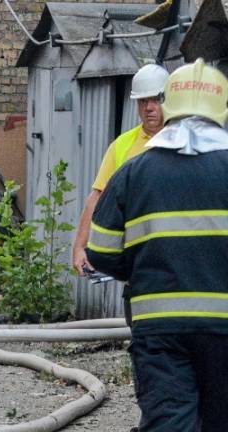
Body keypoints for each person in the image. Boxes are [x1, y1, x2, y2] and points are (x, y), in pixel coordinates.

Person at [85, 59, 228, 432]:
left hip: (159, 332)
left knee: (168, 428)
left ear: (169, 108)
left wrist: (142, 263)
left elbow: (100, 252)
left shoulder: (136, 169)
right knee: (221, 427)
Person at [73, 64, 169, 277]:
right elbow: (98, 196)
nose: (149, 107)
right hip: (137, 253)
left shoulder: (182, 139)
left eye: (155, 100)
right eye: (143, 101)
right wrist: (80, 247)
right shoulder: (122, 144)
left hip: (174, 250)